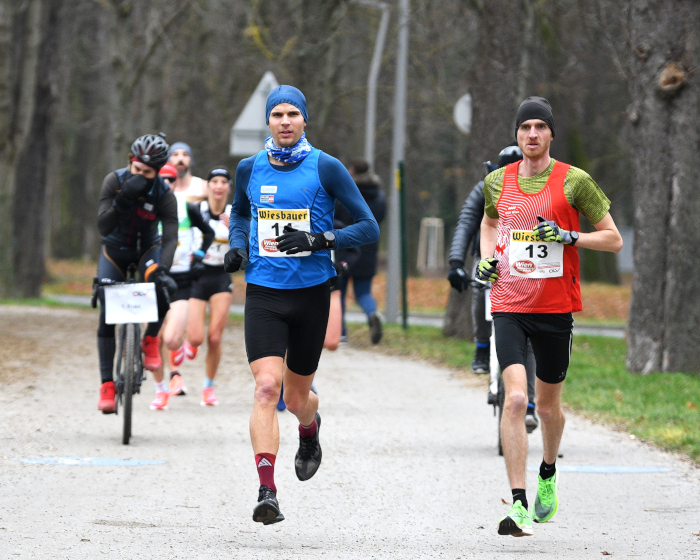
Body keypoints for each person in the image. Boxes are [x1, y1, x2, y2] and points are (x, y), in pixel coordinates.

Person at [226, 85, 379, 525]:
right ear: (269, 122)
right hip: (264, 295)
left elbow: (368, 227)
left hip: (312, 293)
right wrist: (238, 247)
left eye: (294, 114)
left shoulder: (326, 167)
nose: (286, 121)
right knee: (266, 388)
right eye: (278, 115)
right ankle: (267, 491)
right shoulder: (248, 168)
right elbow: (239, 214)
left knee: (296, 398)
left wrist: (319, 239)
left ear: (305, 120)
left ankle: (309, 430)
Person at [478, 97, 622, 537]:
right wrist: (486, 260)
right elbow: (489, 224)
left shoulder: (575, 181)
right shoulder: (497, 182)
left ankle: (547, 472)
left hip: (556, 308)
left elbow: (613, 239)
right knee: (516, 399)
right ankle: (519, 505)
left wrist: (569, 236)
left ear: (551, 135)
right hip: (509, 304)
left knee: (549, 405)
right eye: (525, 128)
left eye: (541, 127)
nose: (533, 134)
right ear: (517, 134)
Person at [448, 142, 539, 432]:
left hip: (527, 265)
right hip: (490, 259)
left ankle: (532, 405)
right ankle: (481, 346)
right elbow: (466, 223)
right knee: (479, 286)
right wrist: (455, 263)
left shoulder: (537, 188)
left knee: (530, 336)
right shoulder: (485, 188)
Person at [95, 133, 179, 414]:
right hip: (114, 250)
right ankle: (107, 385)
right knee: (107, 309)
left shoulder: (163, 194)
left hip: (146, 250)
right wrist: (122, 201)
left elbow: (169, 238)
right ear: (130, 161)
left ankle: (150, 339)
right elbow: (103, 228)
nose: (140, 175)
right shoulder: (114, 181)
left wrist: (163, 270)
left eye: (147, 172)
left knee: (164, 287)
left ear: (158, 172)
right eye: (136, 169)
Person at [156, 167, 215, 408]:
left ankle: (178, 348)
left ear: (176, 182)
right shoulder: (145, 208)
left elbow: (208, 232)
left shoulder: (187, 207)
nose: (167, 183)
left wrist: (199, 255)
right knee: (150, 340)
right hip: (152, 278)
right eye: (163, 179)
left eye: (172, 179)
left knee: (170, 339)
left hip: (181, 280)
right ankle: (160, 390)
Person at [185, 167, 235, 406]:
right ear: (207, 186)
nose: (218, 186)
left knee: (214, 337)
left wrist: (234, 230)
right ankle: (188, 343)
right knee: (195, 338)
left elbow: (246, 245)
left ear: (228, 187)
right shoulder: (196, 211)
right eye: (214, 181)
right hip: (198, 274)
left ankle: (208, 386)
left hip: (221, 277)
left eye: (223, 182)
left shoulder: (235, 214)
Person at [335, 159, 386, 344]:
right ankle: (372, 313)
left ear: (353, 172)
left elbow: (335, 218)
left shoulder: (344, 193)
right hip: (369, 250)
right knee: (363, 292)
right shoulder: (379, 196)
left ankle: (340, 333)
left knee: (338, 292)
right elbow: (379, 219)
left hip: (344, 248)